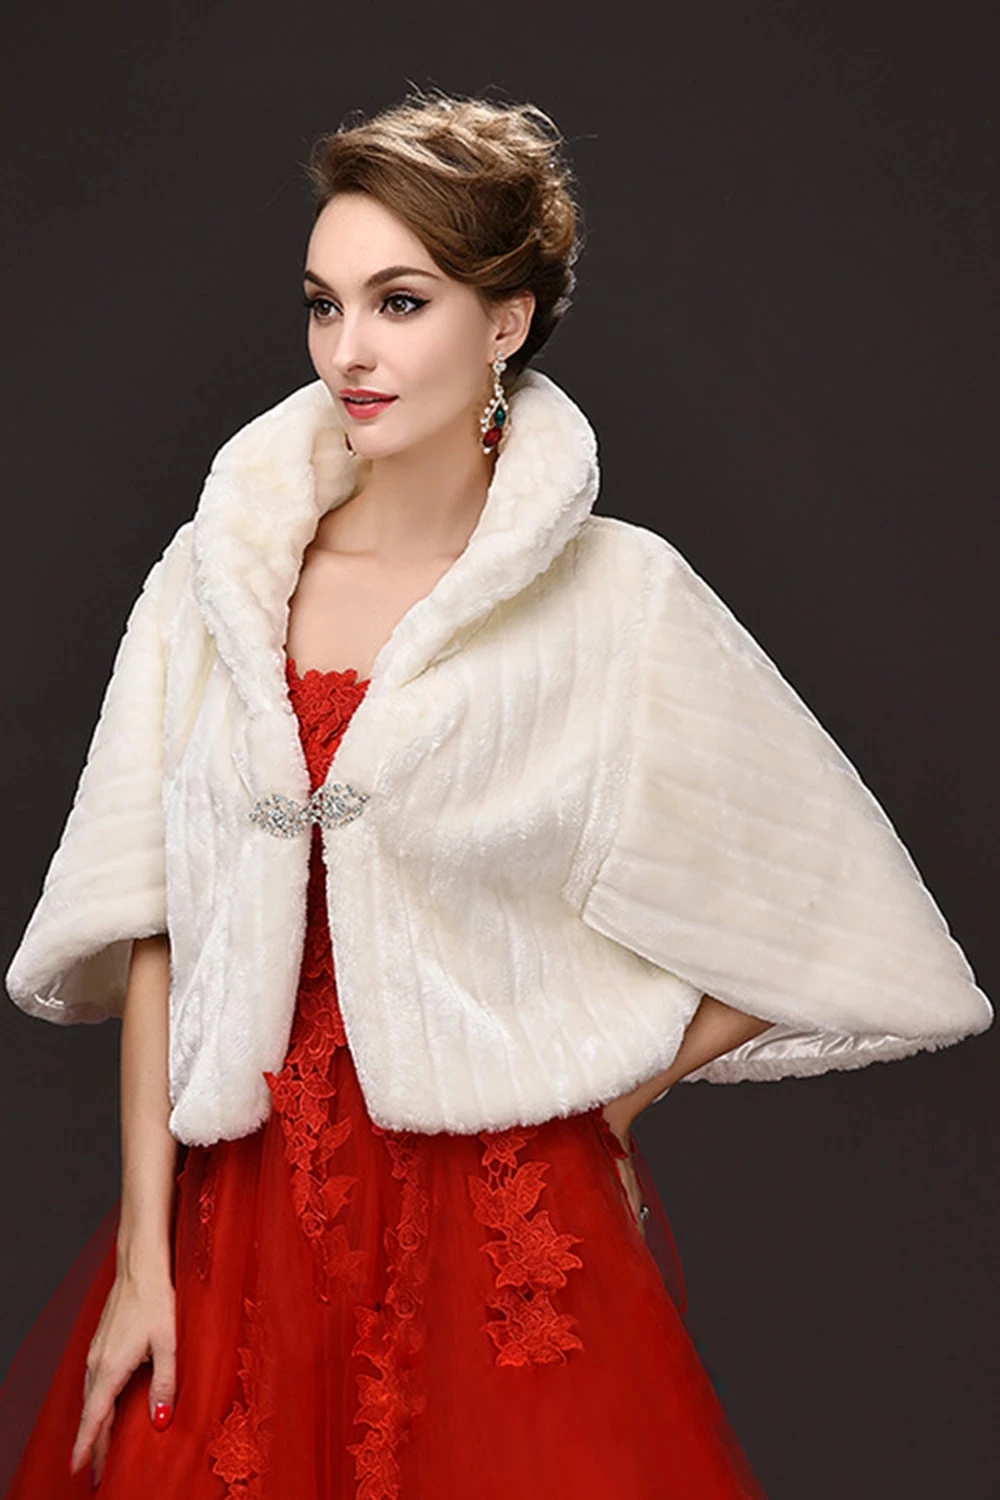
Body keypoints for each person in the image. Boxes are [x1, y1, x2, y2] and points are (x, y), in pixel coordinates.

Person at [1, 90, 991, 1500]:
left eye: (400, 303)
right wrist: (144, 1262)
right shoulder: (215, 582)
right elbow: (157, 919)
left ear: (506, 320)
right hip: (236, 1226)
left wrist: (616, 1098)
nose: (349, 350)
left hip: (500, 1229)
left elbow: (839, 908)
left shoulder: (616, 599)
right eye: (324, 304)